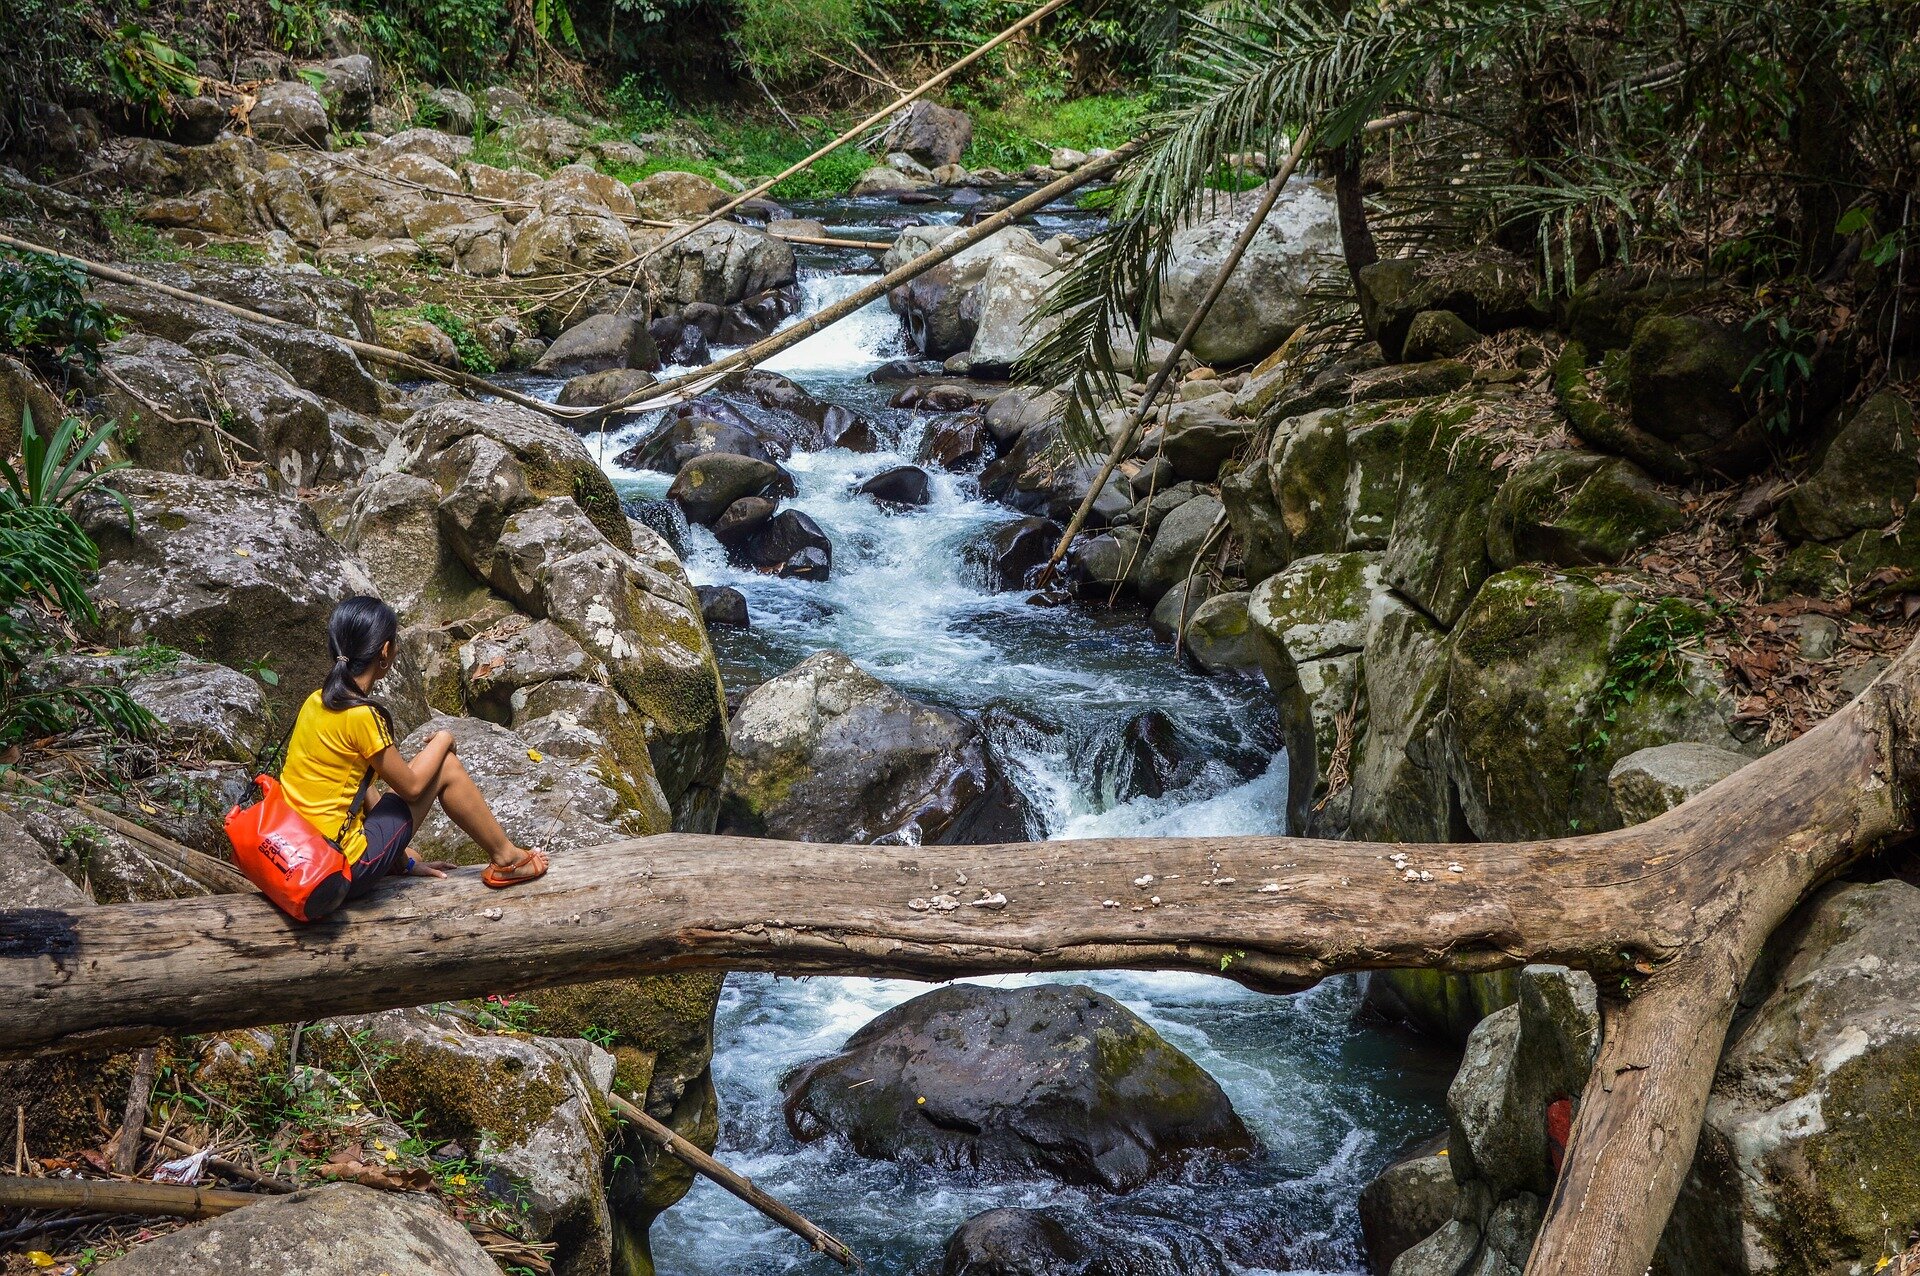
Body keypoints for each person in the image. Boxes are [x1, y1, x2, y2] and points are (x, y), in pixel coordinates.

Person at [279, 595, 550, 897]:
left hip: (297, 852)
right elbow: (412, 788)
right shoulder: (361, 716)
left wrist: (402, 861)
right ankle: (508, 860)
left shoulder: (316, 701)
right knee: (444, 765)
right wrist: (445, 738)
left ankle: (406, 860)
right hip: (340, 868)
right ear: (385, 651)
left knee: (412, 853)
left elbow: (357, 787)